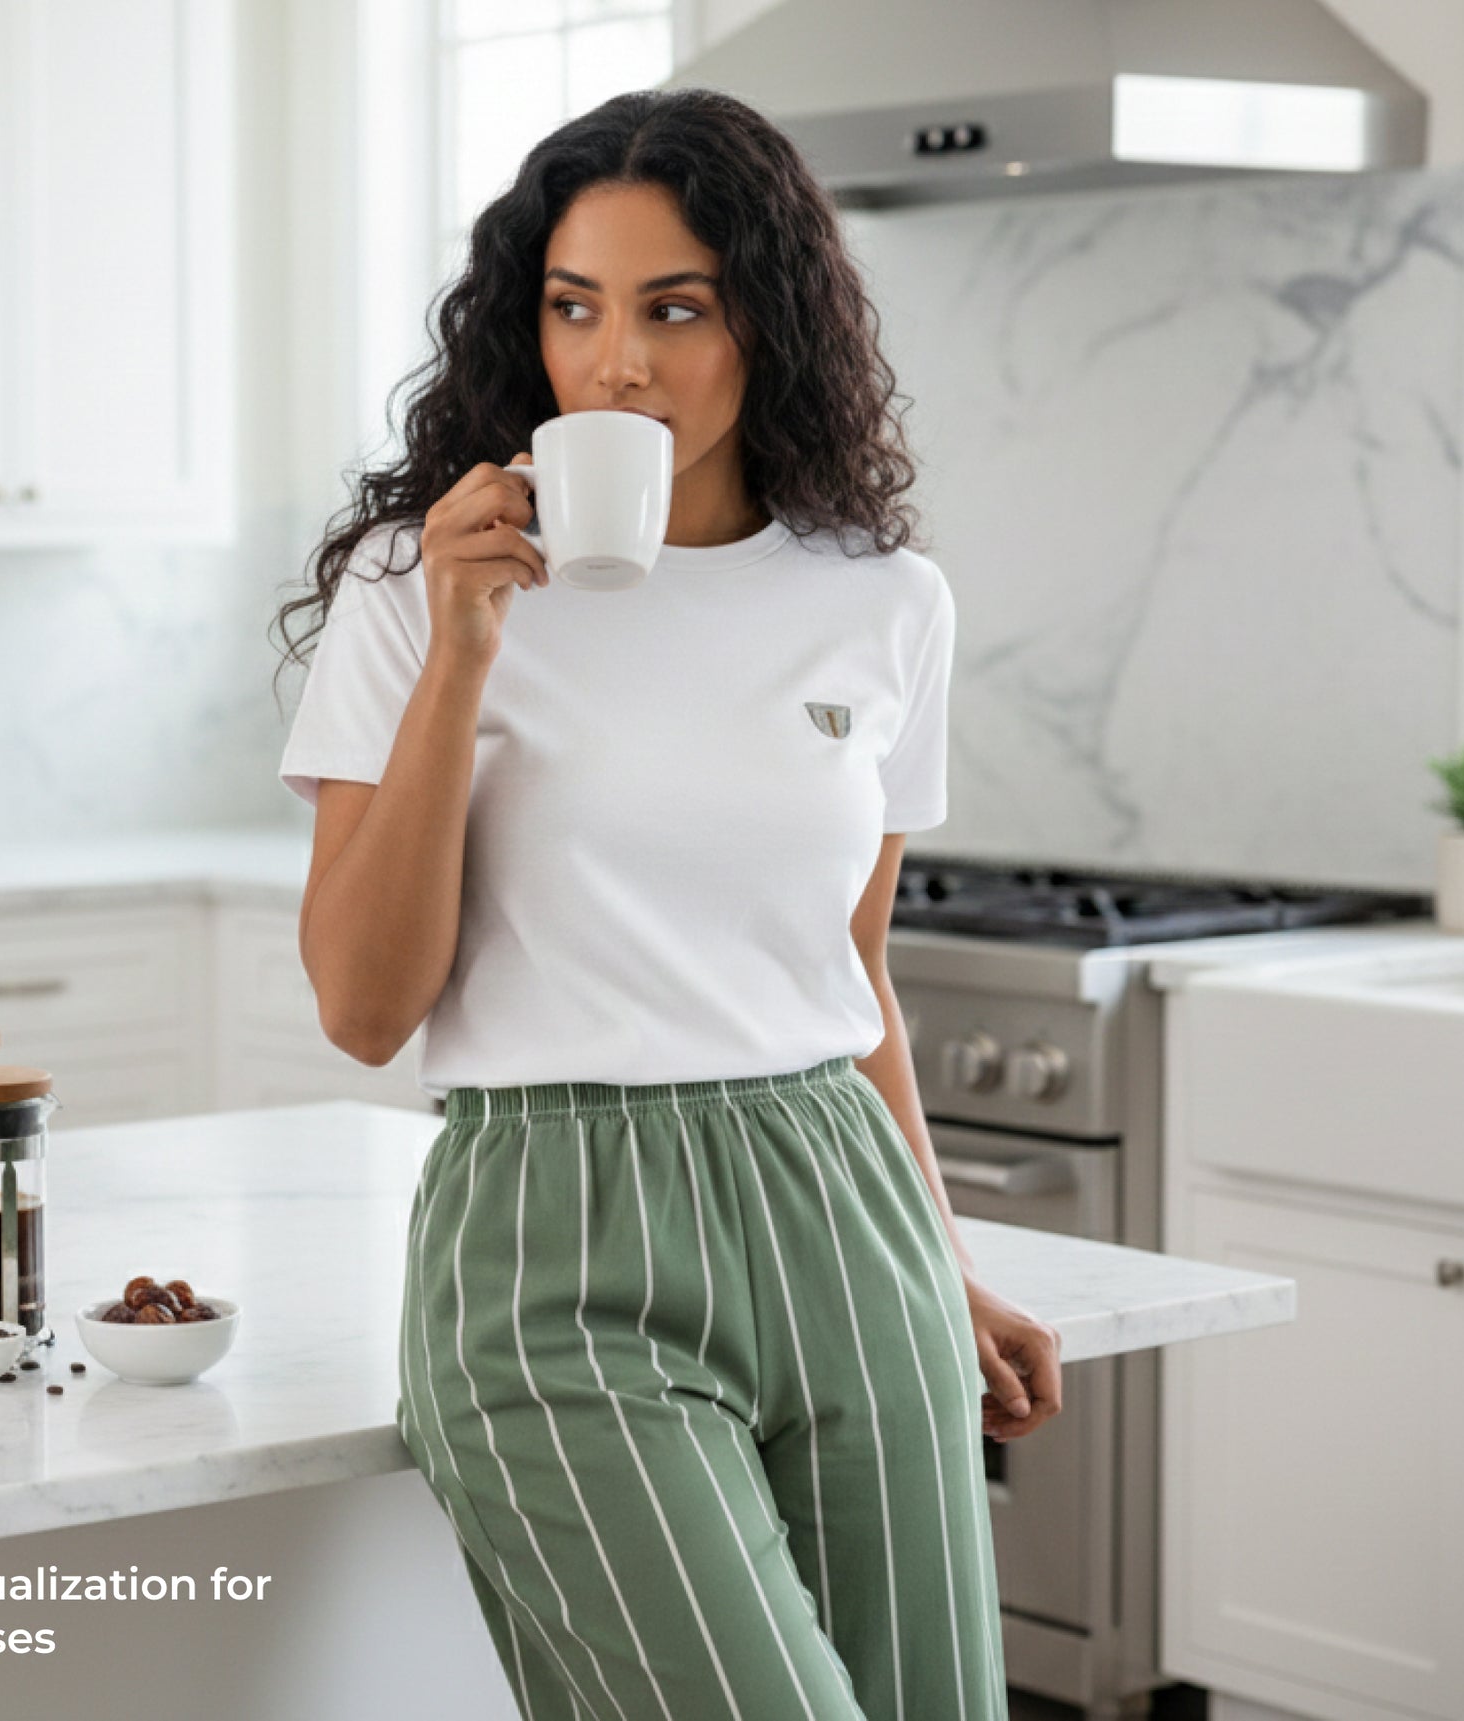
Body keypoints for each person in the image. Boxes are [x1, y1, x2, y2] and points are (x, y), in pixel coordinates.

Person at [270, 85, 1061, 1721]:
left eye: (672, 308)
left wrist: (936, 1253)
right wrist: (465, 656)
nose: (614, 363)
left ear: (767, 322)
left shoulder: (880, 599)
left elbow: (850, 971)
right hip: (553, 1241)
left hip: (843, 1220)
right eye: (573, 309)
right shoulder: (417, 588)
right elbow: (360, 1005)